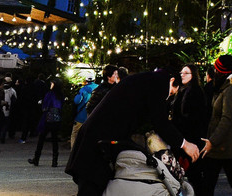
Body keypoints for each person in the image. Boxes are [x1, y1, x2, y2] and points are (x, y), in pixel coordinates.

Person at [65, 68, 201, 196]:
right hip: (98, 143)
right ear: (172, 81)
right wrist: (185, 144)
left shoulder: (146, 80)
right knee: (91, 185)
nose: (168, 97)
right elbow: (160, 122)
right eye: (171, 92)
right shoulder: (157, 83)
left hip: (98, 139)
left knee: (94, 185)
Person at [199, 54, 232, 196]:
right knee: (210, 182)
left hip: (227, 146)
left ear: (220, 71)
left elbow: (226, 118)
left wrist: (212, 141)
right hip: (221, 145)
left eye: (216, 69)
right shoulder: (224, 87)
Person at [169, 63, 211, 187]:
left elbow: (196, 117)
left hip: (191, 138)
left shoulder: (195, 91)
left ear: (193, 75)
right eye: (181, 72)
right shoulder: (182, 90)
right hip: (183, 137)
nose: (182, 75)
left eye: (186, 73)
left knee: (193, 174)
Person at [29, 78, 64, 167]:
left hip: (48, 118)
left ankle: (36, 159)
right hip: (57, 119)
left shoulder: (50, 94)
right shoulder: (60, 95)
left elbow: (45, 106)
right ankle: (54, 161)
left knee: (41, 139)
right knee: (55, 140)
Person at [72, 76, 99, 149]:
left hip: (80, 117)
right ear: (94, 80)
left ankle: (73, 152)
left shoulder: (83, 89)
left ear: (86, 80)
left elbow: (76, 101)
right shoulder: (99, 88)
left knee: (75, 134)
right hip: (93, 117)